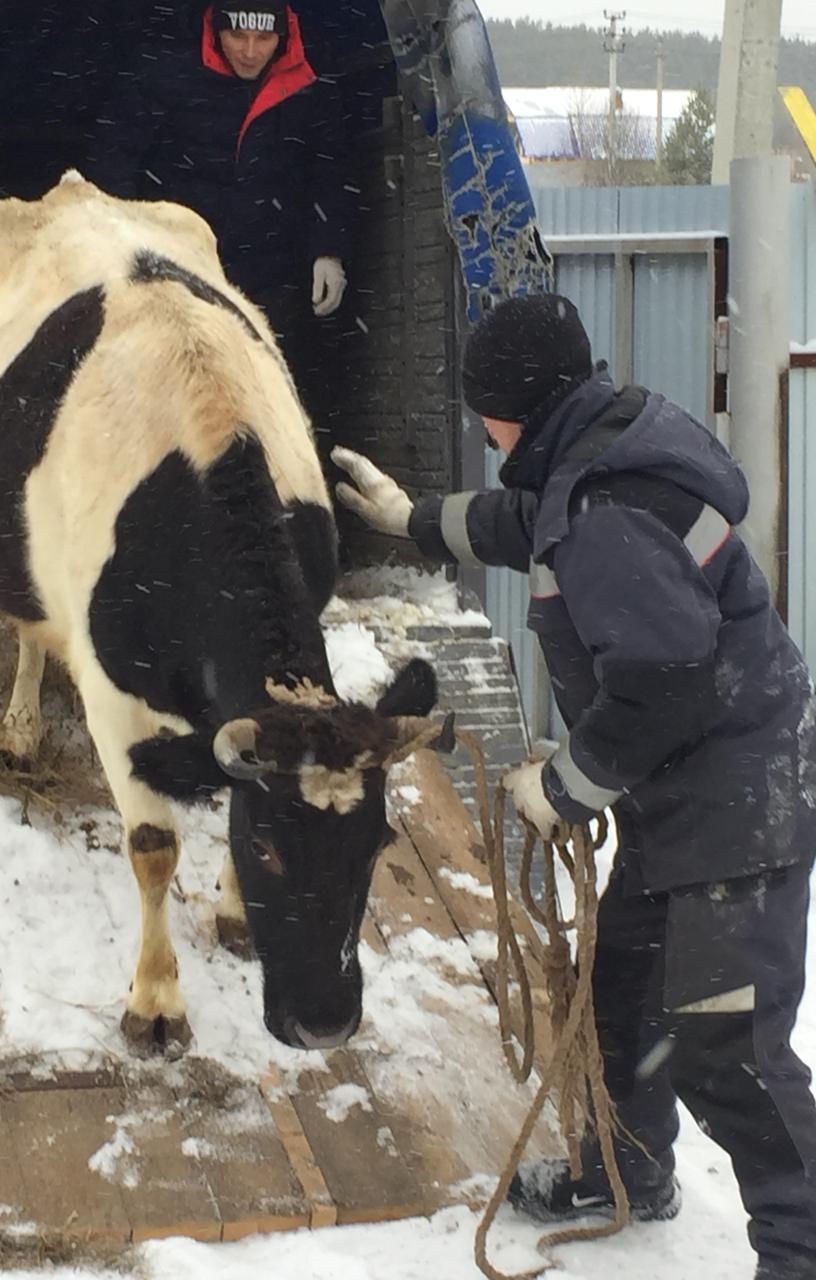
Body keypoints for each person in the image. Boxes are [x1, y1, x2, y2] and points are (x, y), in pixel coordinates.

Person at [332, 292, 816, 1280]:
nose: (484, 429)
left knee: (725, 1044)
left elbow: (663, 681)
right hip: (690, 787)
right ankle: (621, 1174)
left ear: (519, 403)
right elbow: (529, 519)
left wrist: (565, 783)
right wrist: (414, 519)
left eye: (485, 412)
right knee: (622, 988)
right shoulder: (597, 454)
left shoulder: (603, 510)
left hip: (738, 796)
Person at [87, 0, 350, 423]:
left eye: (263, 38)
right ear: (214, 28)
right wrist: (119, 242)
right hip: (179, 271)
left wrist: (328, 250)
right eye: (237, 36)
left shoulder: (309, 86)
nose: (249, 50)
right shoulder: (164, 72)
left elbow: (328, 170)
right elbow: (115, 158)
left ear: (284, 35)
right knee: (179, 396)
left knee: (274, 396)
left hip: (272, 275)